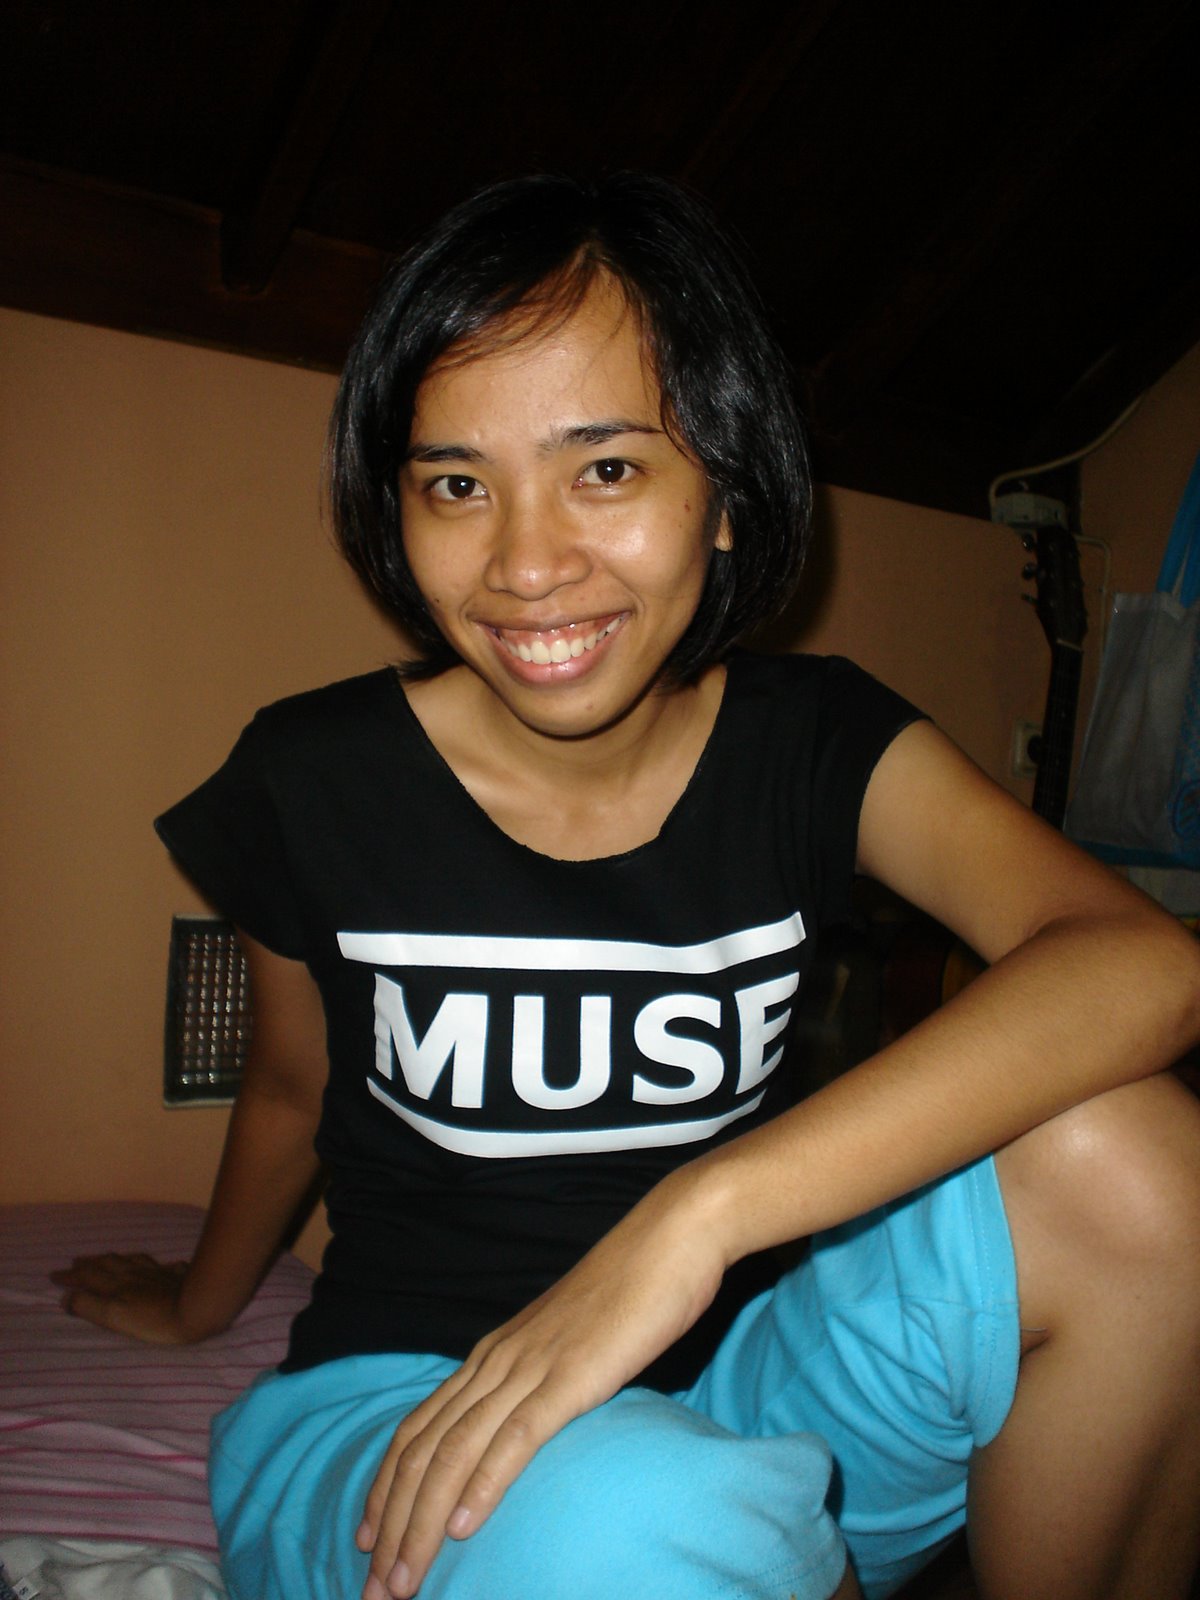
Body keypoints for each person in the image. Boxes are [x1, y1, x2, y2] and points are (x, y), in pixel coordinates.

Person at [53, 173, 1200, 1600]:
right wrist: (195, 1306)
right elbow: (294, 1090)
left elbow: (1141, 964)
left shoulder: (815, 741)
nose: (528, 566)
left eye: (604, 470)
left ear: (723, 494)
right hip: (417, 1406)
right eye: (456, 484)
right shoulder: (313, 774)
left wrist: (695, 1222)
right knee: (635, 1517)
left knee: (1141, 1163)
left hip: (750, 1378)